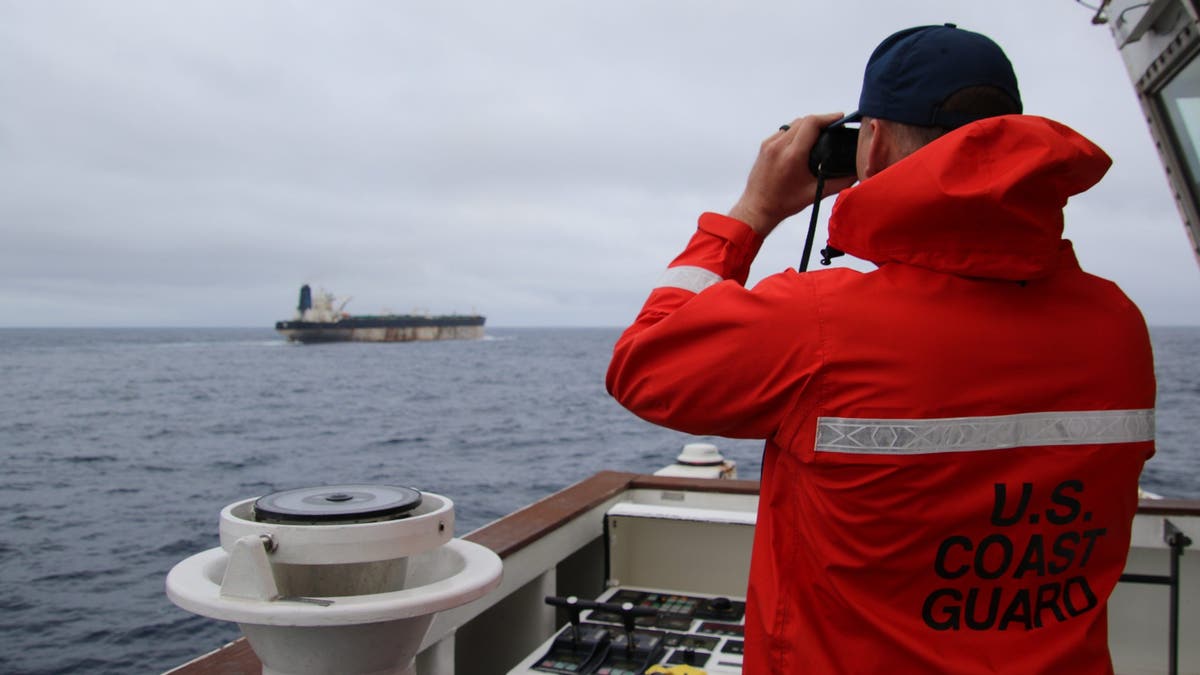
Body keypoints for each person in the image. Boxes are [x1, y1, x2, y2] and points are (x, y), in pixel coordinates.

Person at [606, 24, 1156, 674]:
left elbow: (644, 362)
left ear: (873, 142)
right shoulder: (1118, 325)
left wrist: (752, 210)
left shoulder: (819, 326)